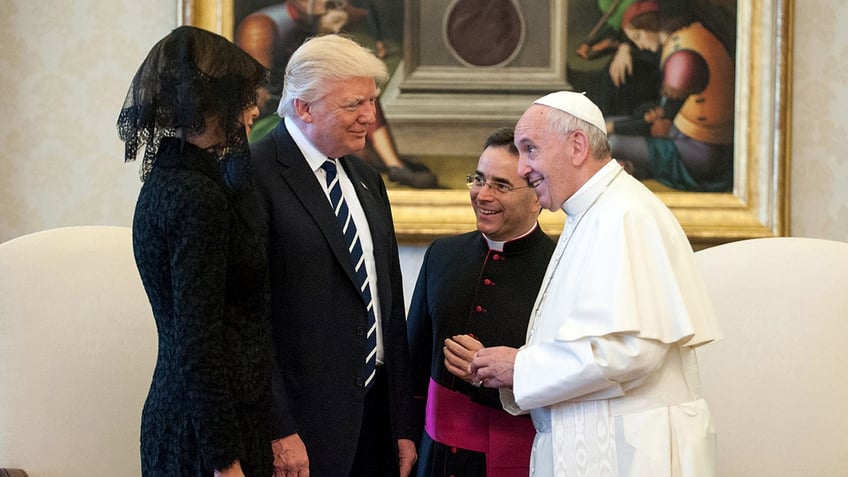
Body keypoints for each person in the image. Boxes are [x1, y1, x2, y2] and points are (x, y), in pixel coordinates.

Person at [465, 91, 722, 476]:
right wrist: (513, 369)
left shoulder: (624, 214)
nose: (522, 169)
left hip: (632, 450)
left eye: (530, 149)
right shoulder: (592, 212)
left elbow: (633, 350)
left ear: (578, 146)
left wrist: (521, 366)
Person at [250, 34, 418, 477]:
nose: (371, 117)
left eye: (372, 101)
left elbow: (388, 305)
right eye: (354, 104)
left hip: (374, 420)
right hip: (300, 429)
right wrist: (277, 428)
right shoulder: (253, 174)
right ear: (304, 107)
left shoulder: (365, 178)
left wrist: (402, 423)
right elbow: (248, 319)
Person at [117, 26, 273, 477]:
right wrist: (225, 461)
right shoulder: (196, 196)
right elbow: (198, 340)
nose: (254, 110)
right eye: (246, 98)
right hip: (206, 435)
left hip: (194, 416)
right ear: (216, 106)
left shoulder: (170, 179)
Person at [407, 127, 556, 476]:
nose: (482, 194)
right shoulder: (443, 254)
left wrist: (509, 371)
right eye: (478, 179)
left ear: (538, 195)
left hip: (520, 454)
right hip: (436, 456)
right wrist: (404, 436)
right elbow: (412, 359)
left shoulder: (562, 267)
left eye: (501, 185)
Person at [236, 0, 438, 188]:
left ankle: (394, 164)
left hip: (310, 110)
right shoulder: (260, 26)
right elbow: (256, 96)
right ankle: (393, 164)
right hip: (277, 119)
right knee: (356, 143)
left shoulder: (311, 22)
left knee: (358, 96)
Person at [606, 0, 735, 192]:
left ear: (649, 25)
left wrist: (613, 127)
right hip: (683, 135)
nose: (640, 45)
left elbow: (661, 123)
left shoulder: (683, 56)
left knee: (609, 142)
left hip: (700, 152)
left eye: (638, 36)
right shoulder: (687, 35)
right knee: (605, 128)